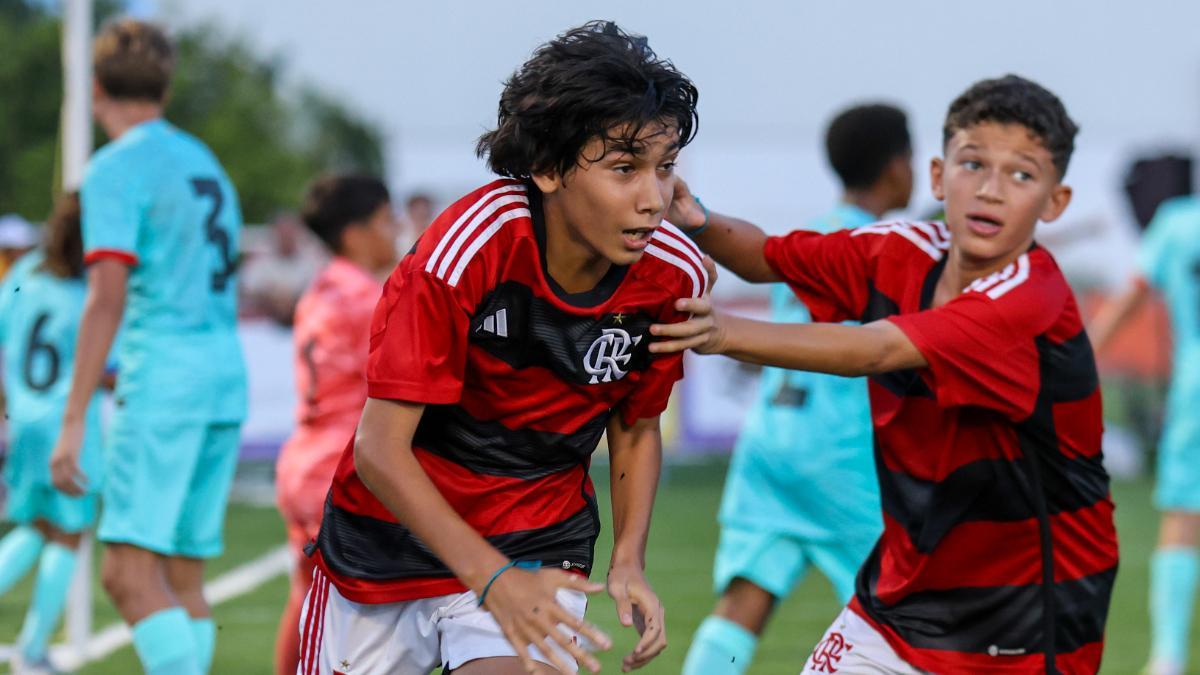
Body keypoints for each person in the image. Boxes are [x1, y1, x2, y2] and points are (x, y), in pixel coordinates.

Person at [655, 75, 1118, 674]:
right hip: (899, 599)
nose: (992, 190)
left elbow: (875, 351)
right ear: (935, 174)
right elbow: (766, 255)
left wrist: (720, 333)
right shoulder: (897, 249)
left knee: (746, 598)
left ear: (1055, 202)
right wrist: (692, 215)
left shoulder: (1029, 300)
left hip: (1026, 613)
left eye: (1022, 174)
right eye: (973, 163)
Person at [299, 21, 705, 675]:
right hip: (391, 537)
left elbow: (635, 423)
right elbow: (379, 449)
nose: (654, 198)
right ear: (546, 168)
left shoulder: (671, 275)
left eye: (665, 168)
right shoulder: (466, 252)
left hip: (537, 535)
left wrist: (628, 555)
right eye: (625, 168)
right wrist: (492, 579)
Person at [682, 103, 913, 674]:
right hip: (845, 449)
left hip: (772, 439)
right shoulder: (886, 247)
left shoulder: (806, 237)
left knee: (743, 604)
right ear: (895, 167)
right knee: (904, 612)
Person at [50, 19, 247, 675]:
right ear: (165, 87)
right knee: (182, 576)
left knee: (128, 576)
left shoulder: (115, 166)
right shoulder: (204, 160)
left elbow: (105, 298)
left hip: (165, 379)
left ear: (96, 86)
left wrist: (74, 416)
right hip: (223, 376)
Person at [272, 174, 398, 675]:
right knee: (363, 623)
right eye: (386, 222)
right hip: (342, 471)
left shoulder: (320, 287)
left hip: (305, 460)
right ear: (355, 232)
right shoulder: (366, 297)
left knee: (307, 602)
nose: (395, 233)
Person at [1090, 194, 1200, 675]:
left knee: (1183, 517)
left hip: (1195, 393)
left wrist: (1074, 368)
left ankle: (1168, 657)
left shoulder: (1178, 223)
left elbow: (1127, 300)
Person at [0, 194, 104, 674]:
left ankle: (34, 647)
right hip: (70, 424)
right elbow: (107, 367)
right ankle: (35, 649)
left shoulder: (25, 273)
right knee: (68, 534)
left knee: (35, 526)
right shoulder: (95, 293)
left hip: (25, 420)